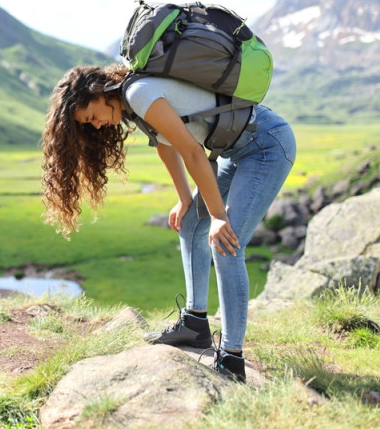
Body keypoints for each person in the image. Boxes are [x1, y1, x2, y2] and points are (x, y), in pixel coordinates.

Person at [40, 63, 296, 382]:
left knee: (226, 242)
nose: (96, 125)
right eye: (89, 124)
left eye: (91, 116)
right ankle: (195, 324)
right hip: (234, 153)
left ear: (98, 92)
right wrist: (185, 199)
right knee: (191, 224)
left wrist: (218, 216)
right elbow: (166, 146)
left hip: (266, 146)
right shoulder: (134, 104)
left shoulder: (138, 92)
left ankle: (231, 358)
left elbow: (191, 150)